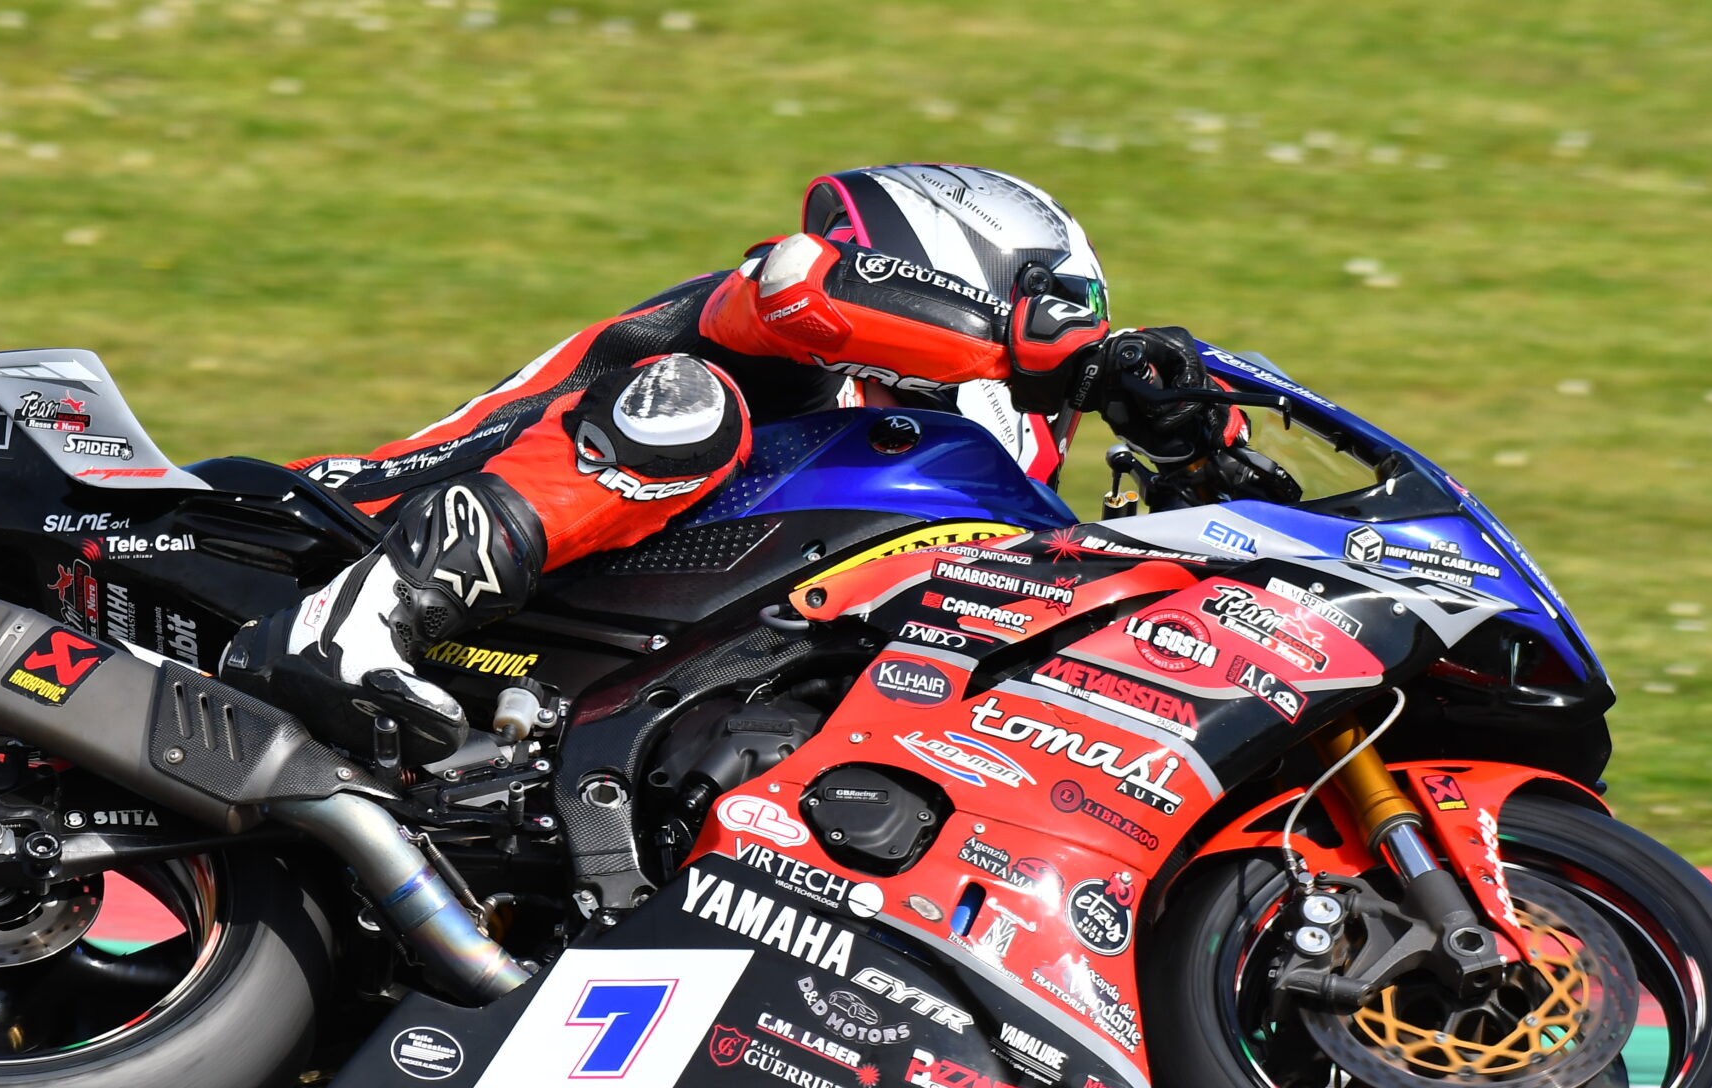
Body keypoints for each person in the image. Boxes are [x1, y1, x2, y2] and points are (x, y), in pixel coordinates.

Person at [265, 162, 1241, 763]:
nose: (1069, 371)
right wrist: (1046, 350)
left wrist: (1198, 446)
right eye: (1060, 311)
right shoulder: (785, 334)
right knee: (691, 410)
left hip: (563, 685)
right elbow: (793, 288)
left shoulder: (916, 515)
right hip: (333, 526)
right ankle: (361, 620)